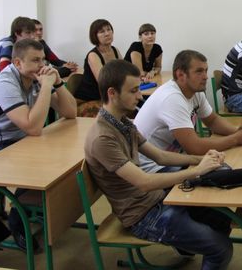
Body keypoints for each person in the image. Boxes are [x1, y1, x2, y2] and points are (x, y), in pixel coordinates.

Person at [84, 59, 233, 269]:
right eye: (133, 90)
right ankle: (189, 242)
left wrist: (201, 159)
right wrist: (197, 170)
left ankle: (186, 243)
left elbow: (160, 157)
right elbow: (144, 182)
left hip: (156, 200)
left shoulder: (124, 123)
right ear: (112, 93)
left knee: (221, 219)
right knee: (221, 248)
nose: (139, 95)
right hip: (141, 216)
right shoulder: (102, 138)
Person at [0, 38, 77, 250]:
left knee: (67, 160)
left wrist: (57, 83)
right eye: (35, 61)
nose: (42, 66)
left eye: (43, 60)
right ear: (17, 63)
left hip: (22, 140)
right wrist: (46, 86)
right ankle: (18, 218)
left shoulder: (35, 78)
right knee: (44, 165)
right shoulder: (5, 83)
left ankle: (39, 211)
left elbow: (70, 112)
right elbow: (33, 127)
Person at [135, 50, 242, 173]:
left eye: (206, 70)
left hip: (174, 158)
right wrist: (236, 139)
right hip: (152, 167)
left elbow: (212, 120)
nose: (205, 76)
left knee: (229, 168)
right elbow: (195, 147)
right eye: (199, 71)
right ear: (180, 75)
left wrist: (240, 132)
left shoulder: (195, 91)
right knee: (218, 179)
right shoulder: (171, 98)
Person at [0, 16, 36, 98]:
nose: (32, 36)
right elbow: (4, 70)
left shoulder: (19, 46)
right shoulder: (7, 44)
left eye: (33, 33)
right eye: (28, 33)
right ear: (17, 33)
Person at [74, 19, 122, 116]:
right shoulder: (93, 55)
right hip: (87, 100)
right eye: (102, 32)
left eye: (109, 30)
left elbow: (124, 72)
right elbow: (103, 82)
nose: (107, 34)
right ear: (94, 36)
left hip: (107, 97)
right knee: (114, 114)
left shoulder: (115, 50)